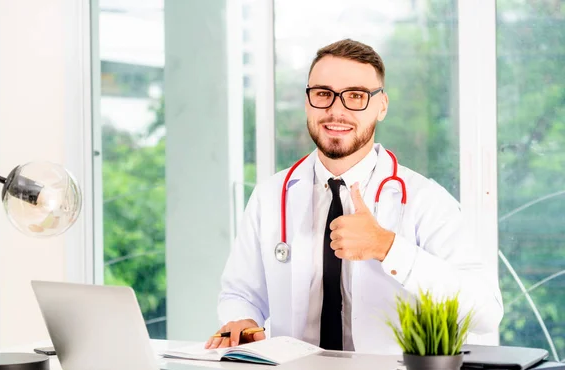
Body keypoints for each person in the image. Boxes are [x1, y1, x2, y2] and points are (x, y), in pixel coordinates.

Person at [205, 39, 503, 353]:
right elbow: (241, 294)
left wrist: (387, 247)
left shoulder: (425, 200)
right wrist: (241, 319)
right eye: (323, 94)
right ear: (308, 102)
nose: (336, 110)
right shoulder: (270, 196)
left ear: (382, 106)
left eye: (356, 96)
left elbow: (485, 313)